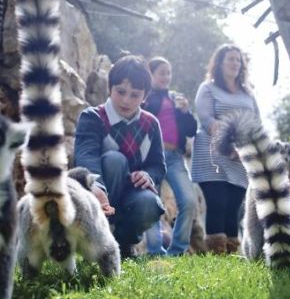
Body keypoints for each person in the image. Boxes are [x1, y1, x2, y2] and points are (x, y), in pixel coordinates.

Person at [74, 55, 166, 258]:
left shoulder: (151, 124)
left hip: (134, 195)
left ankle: (125, 246)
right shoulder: (93, 117)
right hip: (101, 191)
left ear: (145, 96)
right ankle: (100, 239)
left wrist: (147, 175)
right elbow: (85, 155)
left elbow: (158, 166)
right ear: (110, 88)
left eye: (135, 95)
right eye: (121, 92)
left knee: (150, 203)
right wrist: (96, 186)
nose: (126, 100)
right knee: (115, 160)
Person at [191, 43, 260, 254]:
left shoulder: (249, 95)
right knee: (218, 203)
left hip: (241, 158)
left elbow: (256, 124)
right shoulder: (208, 88)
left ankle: (232, 254)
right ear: (219, 63)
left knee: (234, 208)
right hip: (213, 155)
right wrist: (230, 146)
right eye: (230, 58)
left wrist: (250, 149)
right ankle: (217, 254)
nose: (235, 63)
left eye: (238, 60)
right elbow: (207, 120)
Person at [142, 57, 198, 256]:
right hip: (152, 156)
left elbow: (192, 130)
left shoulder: (176, 98)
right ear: (151, 75)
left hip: (175, 157)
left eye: (168, 73)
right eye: (161, 72)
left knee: (189, 202)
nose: (166, 77)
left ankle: (177, 251)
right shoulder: (145, 98)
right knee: (151, 203)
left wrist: (185, 111)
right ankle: (155, 251)